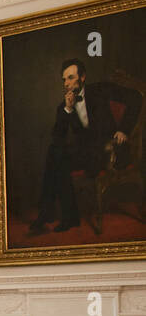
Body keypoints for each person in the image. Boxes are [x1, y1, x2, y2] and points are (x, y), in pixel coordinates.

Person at [31, 58, 141, 233]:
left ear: (82, 77)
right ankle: (61, 216)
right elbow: (57, 138)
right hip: (87, 154)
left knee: (57, 158)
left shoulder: (101, 89)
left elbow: (136, 98)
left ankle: (57, 214)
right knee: (55, 152)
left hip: (110, 150)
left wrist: (124, 130)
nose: (66, 83)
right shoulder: (64, 106)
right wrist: (67, 110)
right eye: (64, 79)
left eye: (71, 77)